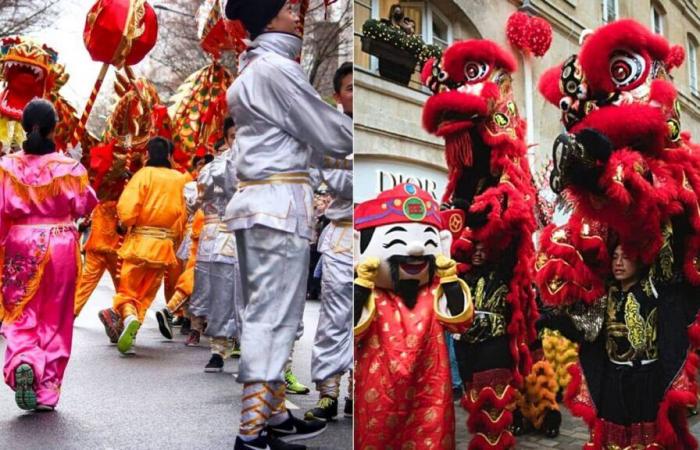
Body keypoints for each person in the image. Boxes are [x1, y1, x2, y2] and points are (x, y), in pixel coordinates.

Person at [224, 1, 353, 448]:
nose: (294, 13)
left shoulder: (256, 67)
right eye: (284, 7)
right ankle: (250, 429)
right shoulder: (277, 69)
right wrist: (358, 135)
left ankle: (273, 415)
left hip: (264, 202)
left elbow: (301, 136)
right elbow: (327, 131)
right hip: (278, 205)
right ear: (267, 16)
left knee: (273, 311)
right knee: (273, 315)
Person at [353, 183, 473, 449]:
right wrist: (361, 286)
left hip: (429, 392)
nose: (418, 250)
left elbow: (462, 322)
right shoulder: (373, 291)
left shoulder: (434, 290)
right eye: (396, 240)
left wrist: (451, 279)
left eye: (429, 241)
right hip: (379, 397)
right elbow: (350, 330)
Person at [0, 99, 97, 410]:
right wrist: (75, 165)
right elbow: (87, 204)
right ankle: (47, 390)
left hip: (22, 242)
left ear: (26, 126)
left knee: (20, 314)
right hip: (62, 243)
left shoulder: (6, 167)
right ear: (55, 127)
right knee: (56, 318)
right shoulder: (70, 168)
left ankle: (25, 358)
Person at [98, 137, 188, 354]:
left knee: (128, 291)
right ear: (169, 156)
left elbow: (127, 210)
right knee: (145, 294)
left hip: (139, 243)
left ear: (147, 155)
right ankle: (131, 331)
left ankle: (128, 318)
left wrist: (122, 224)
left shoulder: (142, 175)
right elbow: (185, 215)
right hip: (164, 247)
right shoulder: (182, 179)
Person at [305, 61, 354, 421]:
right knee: (335, 317)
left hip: (375, 236)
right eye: (351, 87)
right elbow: (334, 180)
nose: (358, 93)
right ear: (338, 95)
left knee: (371, 318)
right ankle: (328, 391)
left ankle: (359, 389)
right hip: (341, 236)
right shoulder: (329, 135)